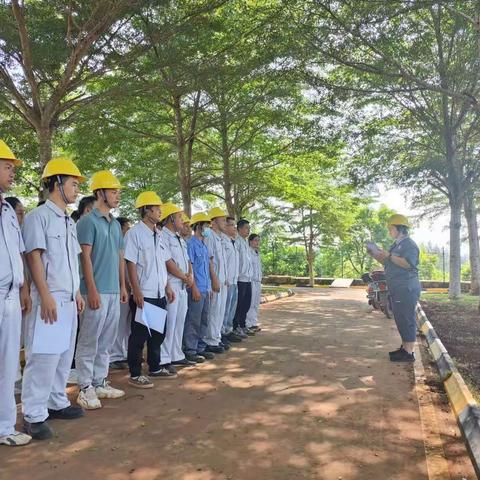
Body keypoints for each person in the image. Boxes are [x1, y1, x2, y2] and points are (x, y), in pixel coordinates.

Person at [22, 157, 86, 440]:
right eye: (73, 184)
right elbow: (34, 256)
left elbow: (72, 262)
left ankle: (56, 401)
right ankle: (34, 415)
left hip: (68, 299)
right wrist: (45, 295)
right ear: (57, 182)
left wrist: (77, 293)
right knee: (43, 358)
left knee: (62, 356)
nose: (76, 190)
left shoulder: (68, 222)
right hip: (49, 299)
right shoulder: (39, 217)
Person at [75, 170, 128, 409]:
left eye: (118, 192)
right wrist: (92, 290)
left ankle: (99, 381)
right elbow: (85, 257)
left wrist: (122, 286)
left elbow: (119, 256)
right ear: (100, 193)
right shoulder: (87, 221)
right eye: (113, 191)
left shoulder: (115, 225)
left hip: (113, 291)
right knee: (89, 339)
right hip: (93, 291)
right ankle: (85, 387)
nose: (117, 196)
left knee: (106, 339)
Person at [124, 192, 175, 387]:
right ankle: (135, 373)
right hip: (144, 294)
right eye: (157, 208)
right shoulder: (135, 234)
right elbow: (130, 263)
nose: (161, 211)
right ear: (147, 210)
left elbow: (162, 262)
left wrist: (167, 285)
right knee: (140, 335)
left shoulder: (158, 234)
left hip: (158, 293)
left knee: (158, 333)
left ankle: (154, 367)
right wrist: (135, 290)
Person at [0, 141, 32, 446]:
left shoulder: (9, 210)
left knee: (9, 364)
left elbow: (19, 253)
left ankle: (5, 427)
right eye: (7, 166)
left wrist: (24, 288)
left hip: (10, 296)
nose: (13, 172)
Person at [367, 214, 421, 363]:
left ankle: (409, 353)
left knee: (406, 318)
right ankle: (405, 348)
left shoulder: (409, 244)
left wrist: (389, 255)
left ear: (400, 229)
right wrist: (375, 253)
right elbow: (388, 261)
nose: (389, 231)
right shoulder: (397, 244)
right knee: (400, 319)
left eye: (391, 228)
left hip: (406, 287)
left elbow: (408, 264)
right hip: (398, 287)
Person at [160, 203, 196, 372]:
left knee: (179, 321)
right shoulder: (163, 237)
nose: (182, 220)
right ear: (170, 218)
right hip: (172, 284)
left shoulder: (179, 238)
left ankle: (176, 354)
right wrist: (184, 276)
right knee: (170, 322)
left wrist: (190, 277)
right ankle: (164, 358)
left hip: (182, 284)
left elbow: (187, 260)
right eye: (179, 217)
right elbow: (168, 263)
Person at [183, 213, 215, 363]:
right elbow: (190, 268)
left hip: (205, 288)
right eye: (205, 225)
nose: (207, 228)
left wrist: (209, 288)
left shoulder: (204, 245)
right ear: (198, 226)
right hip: (196, 288)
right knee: (193, 320)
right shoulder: (191, 244)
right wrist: (194, 287)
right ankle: (190, 349)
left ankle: (200, 347)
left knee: (204, 319)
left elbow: (207, 268)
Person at [203, 207, 228, 353]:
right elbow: (209, 260)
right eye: (222, 219)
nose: (225, 222)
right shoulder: (209, 236)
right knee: (213, 311)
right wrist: (214, 280)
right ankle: (210, 340)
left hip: (222, 281)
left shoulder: (221, 237)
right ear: (213, 221)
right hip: (214, 281)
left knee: (220, 311)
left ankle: (216, 338)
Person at [109, 216, 132, 370]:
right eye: (126, 228)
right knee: (119, 323)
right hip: (120, 289)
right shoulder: (116, 246)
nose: (128, 231)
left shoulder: (127, 245)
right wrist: (126, 285)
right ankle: (115, 355)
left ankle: (125, 352)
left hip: (130, 289)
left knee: (129, 324)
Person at [221, 216, 242, 345]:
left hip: (234, 281)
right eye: (232, 225)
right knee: (224, 309)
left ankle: (228, 330)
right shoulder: (223, 241)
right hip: (226, 282)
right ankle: (223, 332)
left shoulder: (232, 241)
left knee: (231, 309)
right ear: (225, 227)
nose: (235, 228)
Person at [233, 219, 254, 338]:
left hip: (248, 278)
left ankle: (243, 324)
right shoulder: (237, 241)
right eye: (246, 228)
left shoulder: (245, 242)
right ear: (239, 229)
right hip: (240, 278)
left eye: (249, 228)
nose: (248, 231)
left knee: (246, 303)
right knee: (239, 304)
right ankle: (236, 326)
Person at [246, 234, 262, 332]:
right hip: (251, 280)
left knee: (256, 303)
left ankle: (254, 322)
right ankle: (248, 323)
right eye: (255, 240)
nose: (257, 242)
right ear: (250, 241)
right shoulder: (248, 252)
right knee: (250, 303)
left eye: (258, 241)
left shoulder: (257, 253)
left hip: (258, 281)